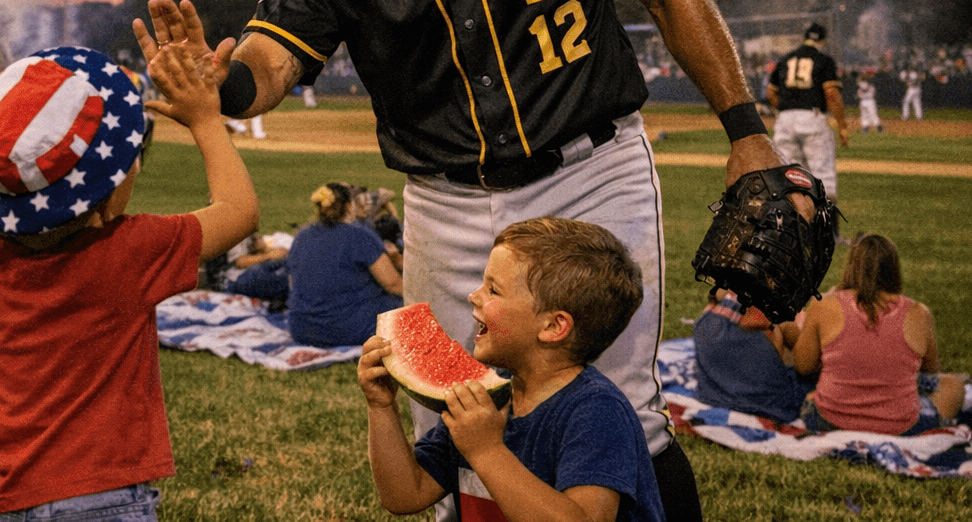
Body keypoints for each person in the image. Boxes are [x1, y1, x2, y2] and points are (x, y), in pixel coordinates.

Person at [141, 0, 790, 519]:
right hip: (445, 202)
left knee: (622, 412)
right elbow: (275, 56)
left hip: (589, 173)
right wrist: (222, 89)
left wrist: (747, 129)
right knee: (458, 420)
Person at [0, 41, 259, 520]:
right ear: (104, 186)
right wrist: (204, 120)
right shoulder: (129, 250)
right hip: (105, 498)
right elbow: (239, 212)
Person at [358, 217, 664, 522]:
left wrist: (487, 451)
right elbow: (405, 495)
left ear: (553, 326)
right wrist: (381, 406)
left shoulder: (596, 411)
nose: (473, 295)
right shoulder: (485, 397)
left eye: (493, 290)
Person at [792, 233, 967, 434]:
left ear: (851, 266)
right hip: (901, 427)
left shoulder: (824, 305)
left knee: (811, 393)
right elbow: (931, 371)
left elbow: (802, 366)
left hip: (829, 421)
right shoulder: (919, 313)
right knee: (953, 385)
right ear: (893, 268)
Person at [287, 182, 403, 347]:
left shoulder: (302, 235)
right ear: (350, 206)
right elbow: (393, 284)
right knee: (399, 304)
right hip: (349, 330)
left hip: (302, 330)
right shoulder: (360, 236)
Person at [691, 289, 812, 423]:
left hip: (713, 394)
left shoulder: (716, 303)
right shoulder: (773, 310)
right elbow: (806, 365)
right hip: (768, 404)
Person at [766, 22, 847, 201]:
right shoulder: (824, 60)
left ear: (804, 38)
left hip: (785, 120)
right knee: (823, 177)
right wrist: (842, 125)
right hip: (812, 116)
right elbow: (832, 93)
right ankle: (828, 228)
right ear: (824, 40)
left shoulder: (785, 59)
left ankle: (791, 228)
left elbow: (770, 93)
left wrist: (787, 110)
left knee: (789, 179)